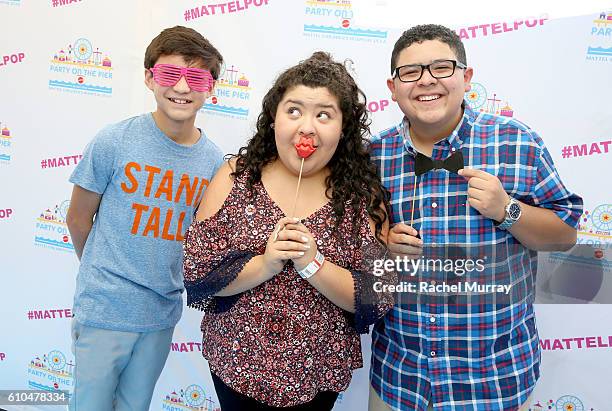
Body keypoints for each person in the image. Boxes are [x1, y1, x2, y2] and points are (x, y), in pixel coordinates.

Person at [368, 24, 583, 411]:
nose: (426, 81)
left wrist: (507, 210)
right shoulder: (372, 157)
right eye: (411, 72)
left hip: (493, 380)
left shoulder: (518, 142)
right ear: (393, 86)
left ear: (466, 78)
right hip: (400, 377)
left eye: (441, 68)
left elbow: (566, 234)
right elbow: (352, 251)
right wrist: (380, 245)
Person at [183, 51, 395, 410]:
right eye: (293, 110)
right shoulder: (236, 175)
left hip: (318, 373)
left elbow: (379, 295)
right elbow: (198, 274)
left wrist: (312, 262)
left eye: (323, 114)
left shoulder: (364, 194)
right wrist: (266, 263)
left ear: (343, 128)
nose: (306, 127)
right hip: (234, 366)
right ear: (274, 118)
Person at [65, 26, 224, 411]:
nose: (183, 87)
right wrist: (105, 273)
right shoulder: (114, 141)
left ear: (211, 88)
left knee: (136, 406)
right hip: (104, 308)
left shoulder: (214, 162)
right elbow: (77, 218)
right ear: (150, 78)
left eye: (197, 77)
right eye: (170, 75)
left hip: (160, 313)